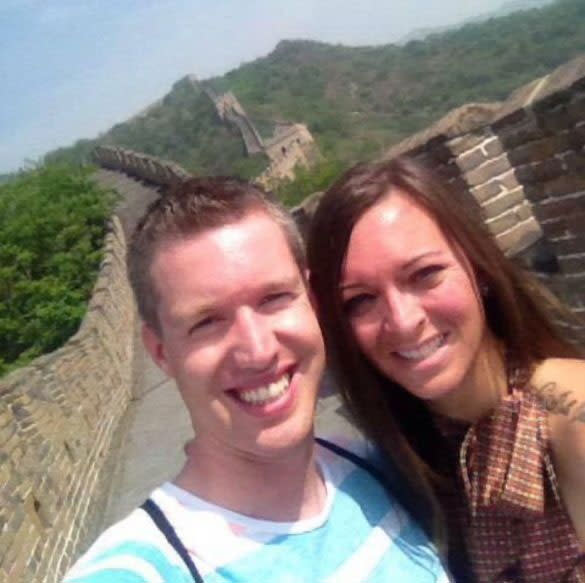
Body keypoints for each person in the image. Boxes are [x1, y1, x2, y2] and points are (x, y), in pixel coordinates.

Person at [63, 176, 450, 583]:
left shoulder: (377, 466)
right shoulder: (147, 567)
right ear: (161, 352)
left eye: (274, 298)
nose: (258, 350)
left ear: (312, 302)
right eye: (208, 321)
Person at [307, 156, 585, 583]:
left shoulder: (570, 416)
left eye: (424, 274)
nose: (402, 320)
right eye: (360, 300)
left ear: (479, 268)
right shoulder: (406, 463)